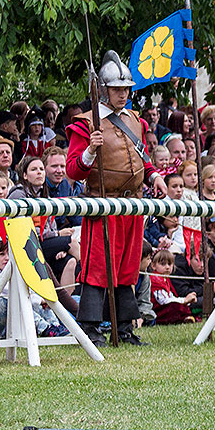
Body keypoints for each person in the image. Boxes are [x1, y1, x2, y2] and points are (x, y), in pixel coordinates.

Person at [65, 50, 165, 346]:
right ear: (104, 91)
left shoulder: (135, 121)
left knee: (127, 268)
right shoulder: (85, 123)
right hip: (102, 204)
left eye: (126, 89)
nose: (123, 95)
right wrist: (90, 150)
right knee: (97, 268)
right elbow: (73, 170)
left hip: (132, 205)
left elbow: (143, 160)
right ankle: (92, 329)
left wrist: (155, 177)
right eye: (118, 89)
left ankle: (124, 327)